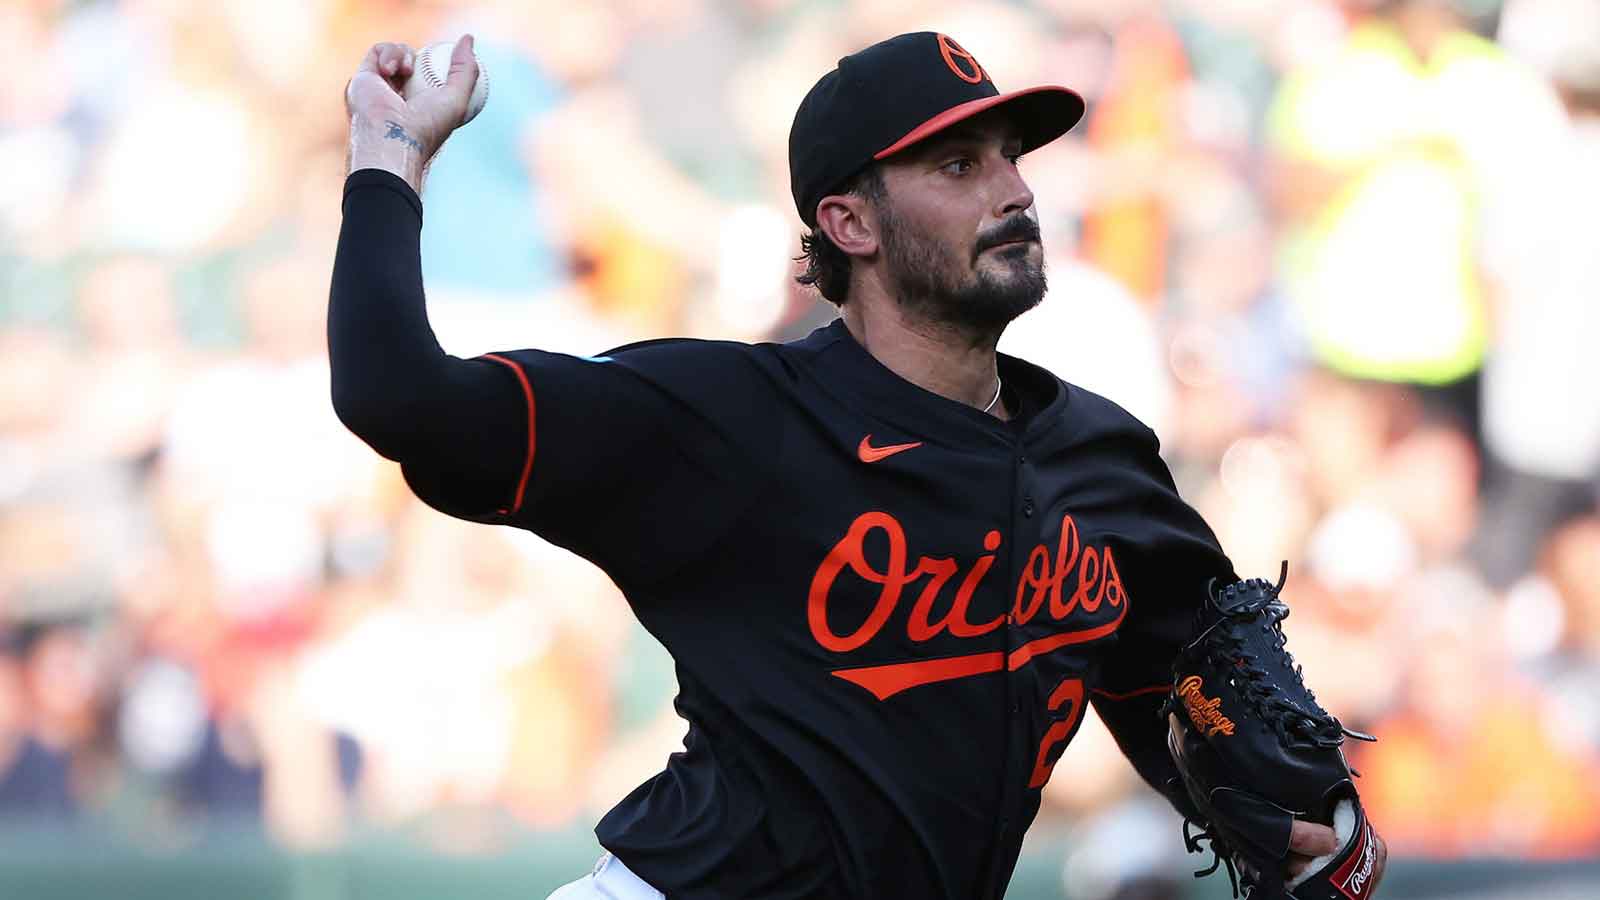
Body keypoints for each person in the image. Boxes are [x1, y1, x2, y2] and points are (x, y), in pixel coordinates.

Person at [332, 32, 1384, 900]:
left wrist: (1294, 824)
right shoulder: (728, 418)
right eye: (958, 165)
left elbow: (1183, 684)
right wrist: (389, 158)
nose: (1013, 190)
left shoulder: (1101, 458)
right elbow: (397, 395)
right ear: (848, 222)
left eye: (1012, 155)